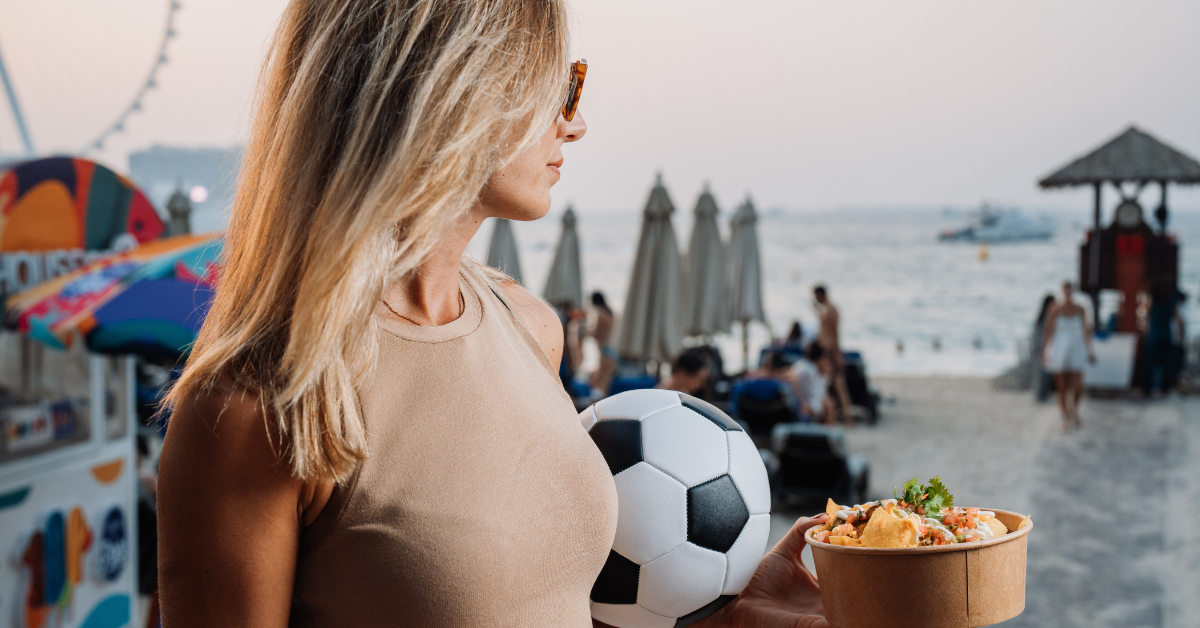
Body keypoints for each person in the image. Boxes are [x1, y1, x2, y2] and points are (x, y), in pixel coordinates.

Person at [155, 2, 829, 626]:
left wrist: (727, 619)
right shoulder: (258, 406)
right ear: (454, 94)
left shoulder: (530, 329)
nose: (577, 121)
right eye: (560, 85)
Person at [1042, 282, 1095, 428]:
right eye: (1066, 290)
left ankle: (1074, 410)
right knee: (1062, 387)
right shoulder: (1055, 309)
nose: (1068, 293)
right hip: (1059, 350)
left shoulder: (1081, 309)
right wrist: (1045, 351)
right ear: (1062, 291)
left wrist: (1090, 350)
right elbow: (1049, 331)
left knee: (1078, 385)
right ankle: (1064, 417)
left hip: (1077, 348)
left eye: (1070, 290)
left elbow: (1086, 331)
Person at [813, 285, 853, 425]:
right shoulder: (825, 309)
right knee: (828, 385)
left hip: (830, 350)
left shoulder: (831, 310)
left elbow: (834, 333)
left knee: (838, 385)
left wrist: (837, 354)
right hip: (825, 350)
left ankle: (847, 417)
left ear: (821, 294)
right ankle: (838, 417)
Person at [1143, 281, 1184, 397]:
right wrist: (1181, 335)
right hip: (1166, 333)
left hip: (1153, 333)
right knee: (1167, 362)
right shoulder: (1172, 300)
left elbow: (1146, 315)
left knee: (1150, 363)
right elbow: (1178, 319)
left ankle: (1148, 388)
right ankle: (1165, 388)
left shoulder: (1152, 299)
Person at [588, 290, 618, 394]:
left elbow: (596, 332)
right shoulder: (609, 312)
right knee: (606, 376)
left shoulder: (600, 313)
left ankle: (596, 397)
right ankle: (603, 396)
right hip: (611, 346)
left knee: (601, 375)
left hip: (604, 347)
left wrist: (585, 332)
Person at [1032, 294, 1056, 402]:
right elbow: (1041, 333)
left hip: (1043, 346)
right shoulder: (1045, 317)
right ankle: (1040, 396)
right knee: (1041, 373)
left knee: (1043, 373)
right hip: (1041, 347)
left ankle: (1041, 395)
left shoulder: (1044, 316)